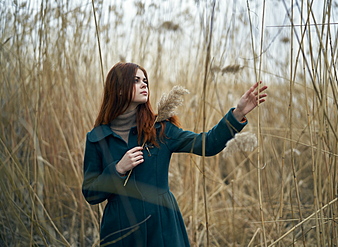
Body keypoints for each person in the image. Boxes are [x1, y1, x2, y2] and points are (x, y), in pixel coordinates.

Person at [82, 62, 268, 246]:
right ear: (119, 89)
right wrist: (117, 169)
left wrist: (237, 114)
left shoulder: (161, 129)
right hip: (120, 230)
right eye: (136, 80)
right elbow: (91, 194)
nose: (144, 84)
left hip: (162, 226)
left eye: (145, 80)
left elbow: (207, 144)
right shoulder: (98, 138)